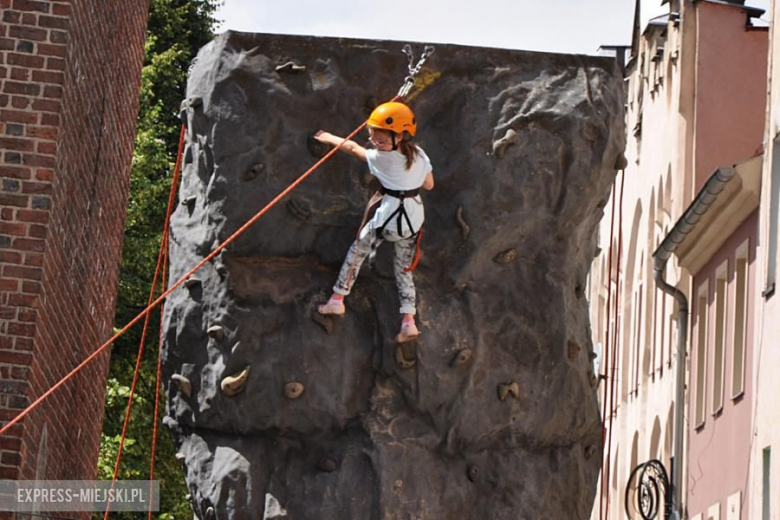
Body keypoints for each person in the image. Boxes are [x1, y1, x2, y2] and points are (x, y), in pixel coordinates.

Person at [315, 101, 435, 343]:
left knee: (358, 250)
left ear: (399, 136)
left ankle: (337, 300)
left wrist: (326, 136)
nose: (375, 143)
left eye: (380, 140)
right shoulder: (420, 154)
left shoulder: (381, 159)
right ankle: (408, 322)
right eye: (373, 138)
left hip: (388, 219)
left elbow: (351, 148)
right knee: (404, 269)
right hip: (412, 220)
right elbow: (429, 185)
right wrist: (408, 180)